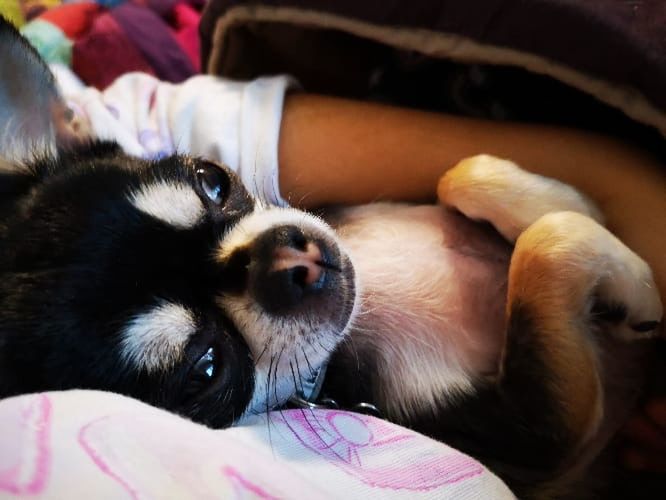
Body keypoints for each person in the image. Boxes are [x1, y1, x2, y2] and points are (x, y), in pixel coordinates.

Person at [53, 66, 666, 473]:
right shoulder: (367, 406)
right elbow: (550, 431)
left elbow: (597, 188)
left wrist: (523, 210)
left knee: (477, 181)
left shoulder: (119, 139)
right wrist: (553, 261)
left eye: (214, 190)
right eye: (207, 365)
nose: (289, 260)